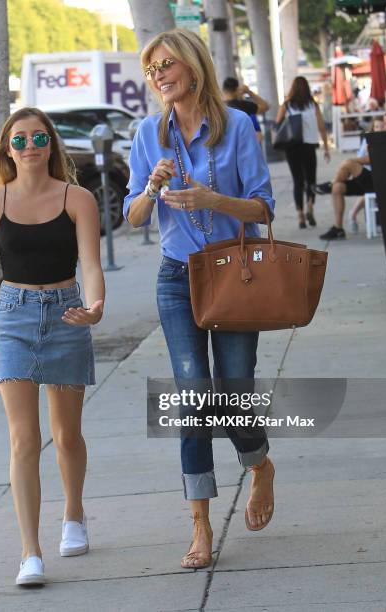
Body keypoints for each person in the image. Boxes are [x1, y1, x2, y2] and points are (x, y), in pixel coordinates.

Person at [124, 29, 276, 570]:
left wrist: (216, 200)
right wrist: (149, 188)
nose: (159, 75)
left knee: (234, 393)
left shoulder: (235, 126)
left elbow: (263, 209)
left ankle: (258, 464)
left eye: (166, 64)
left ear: (191, 67)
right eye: (151, 70)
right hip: (176, 276)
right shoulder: (148, 133)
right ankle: (201, 526)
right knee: (193, 398)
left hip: (235, 273)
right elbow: (133, 216)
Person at [0, 107, 104, 586]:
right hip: (11, 318)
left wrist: (96, 304)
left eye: (39, 139)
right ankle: (30, 552)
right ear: (8, 149)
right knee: (24, 439)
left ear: (52, 145)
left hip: (67, 313)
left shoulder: (77, 198)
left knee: (66, 435)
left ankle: (73, 515)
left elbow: (90, 262)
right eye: (20, 140)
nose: (30, 148)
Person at [316, 111, 386, 240]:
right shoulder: (380, 138)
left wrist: (354, 162)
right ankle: (338, 228)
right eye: (384, 123)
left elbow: (372, 159)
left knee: (349, 164)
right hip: (371, 180)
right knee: (338, 188)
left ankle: (329, 184)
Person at [276, 76, 330, 229]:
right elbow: (322, 127)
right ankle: (310, 207)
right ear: (307, 88)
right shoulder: (313, 105)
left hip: (292, 148)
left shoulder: (286, 105)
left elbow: (277, 124)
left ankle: (300, 215)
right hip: (309, 146)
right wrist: (326, 147)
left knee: (297, 181)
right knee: (311, 180)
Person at [348, 117, 384, 233]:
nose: (380, 129)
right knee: (370, 188)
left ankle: (352, 214)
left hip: (382, 174)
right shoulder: (368, 139)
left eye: (382, 126)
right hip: (369, 172)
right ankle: (353, 214)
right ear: (373, 128)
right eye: (378, 126)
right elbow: (360, 157)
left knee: (371, 188)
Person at [222, 76, 270, 143]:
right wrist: (249, 92)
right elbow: (265, 106)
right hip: (244, 143)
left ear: (224, 90)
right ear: (237, 90)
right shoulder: (244, 105)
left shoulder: (219, 107)